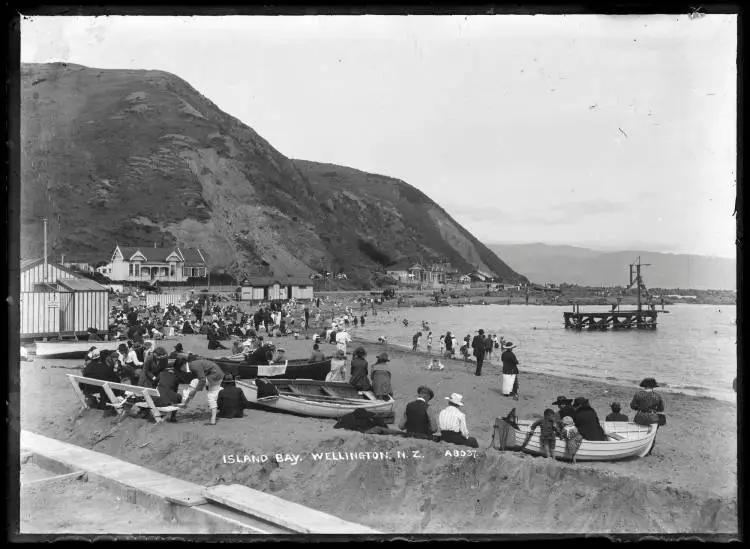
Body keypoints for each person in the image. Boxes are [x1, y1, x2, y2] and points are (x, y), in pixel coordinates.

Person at [176, 356, 225, 425]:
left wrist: (195, 390)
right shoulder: (193, 364)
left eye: (180, 369)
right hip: (219, 375)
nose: (182, 371)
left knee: (194, 382)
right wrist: (194, 391)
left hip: (214, 375)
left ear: (183, 366)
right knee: (211, 396)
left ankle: (185, 403)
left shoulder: (193, 366)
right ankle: (213, 420)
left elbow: (202, 380)